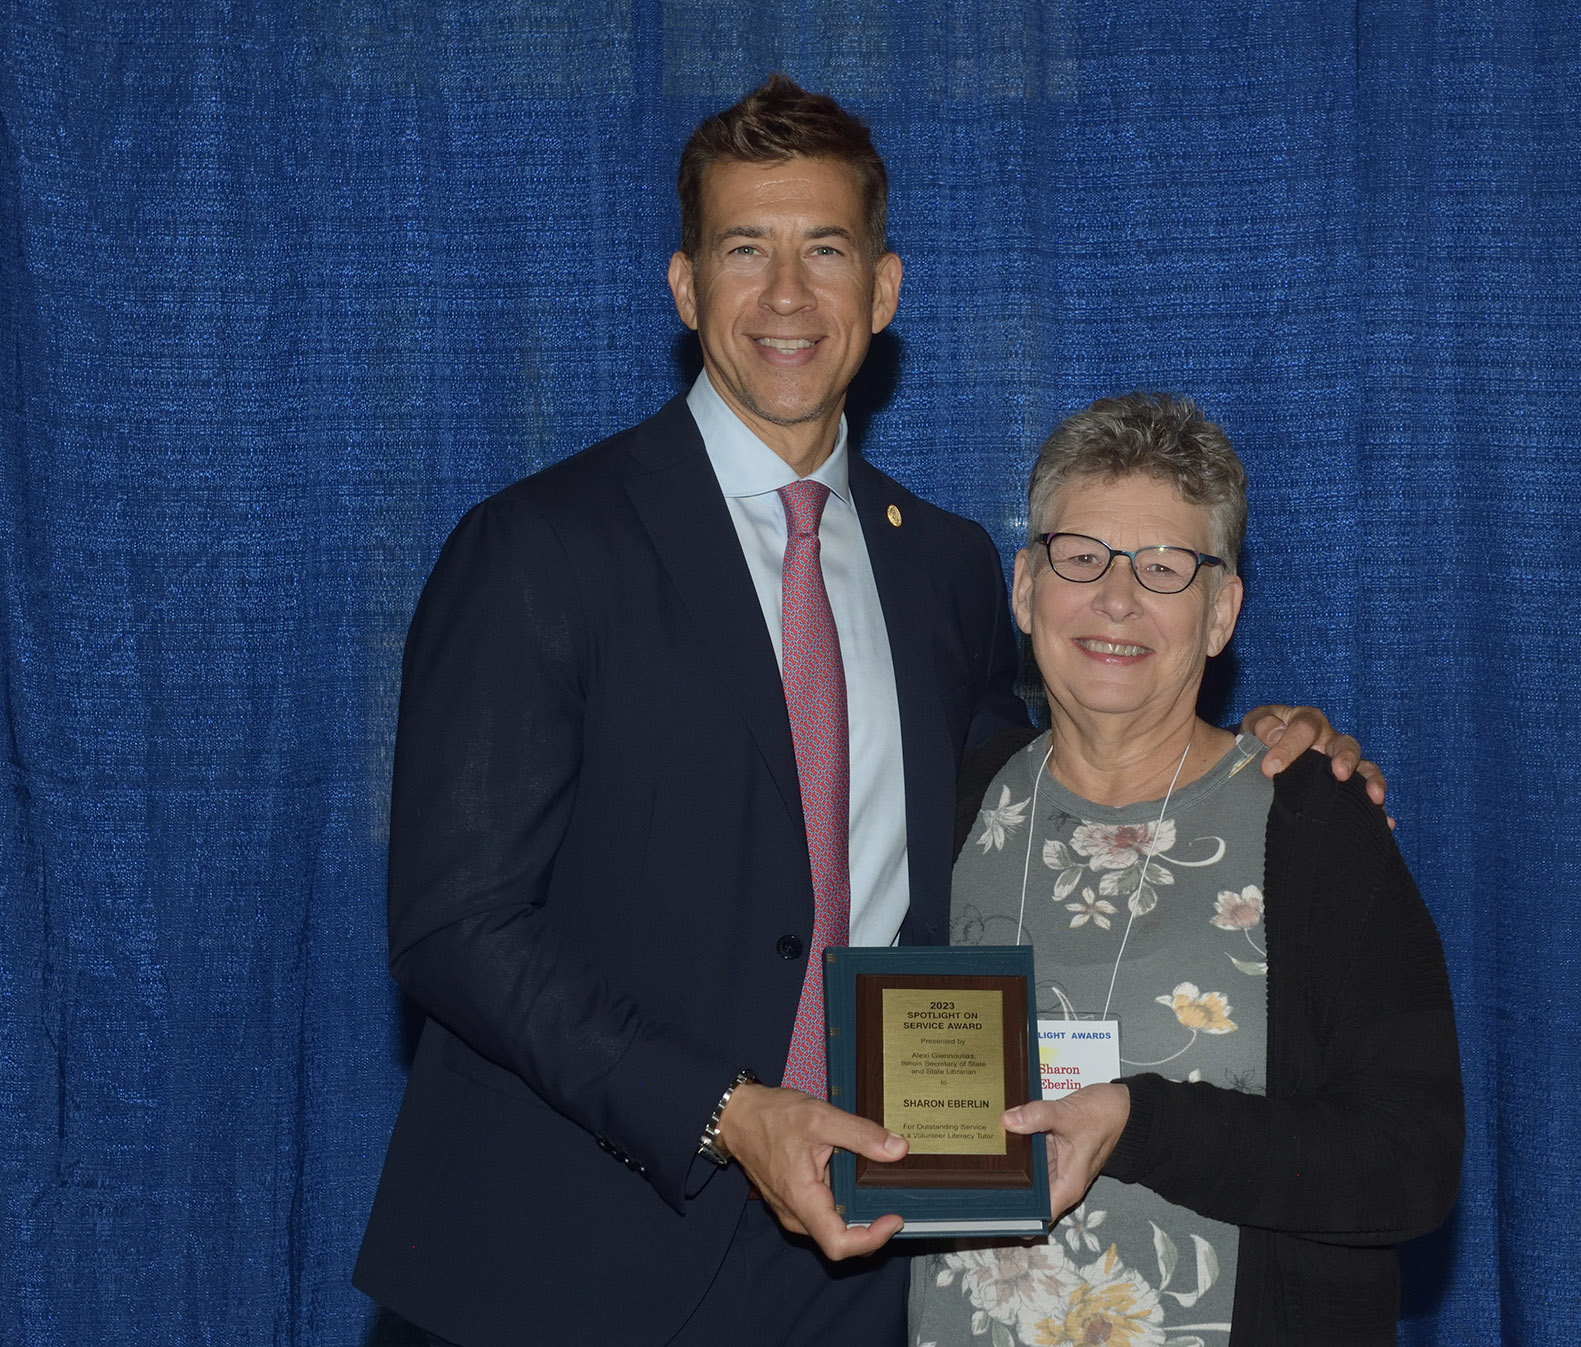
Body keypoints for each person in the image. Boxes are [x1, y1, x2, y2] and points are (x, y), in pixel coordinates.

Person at [352, 78, 1377, 1347]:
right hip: (559, 1268)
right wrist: (727, 1111)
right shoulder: (538, 550)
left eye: (823, 251)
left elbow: (1056, 781)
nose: (787, 296)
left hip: (854, 1274)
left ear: (882, 293)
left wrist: (1260, 740)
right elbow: (455, 926)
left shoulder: (942, 568)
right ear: (684, 287)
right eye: (746, 250)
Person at [911, 395, 1461, 1347]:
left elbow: (1408, 1162)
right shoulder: (941, 807)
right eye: (1081, 556)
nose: (1117, 598)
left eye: (1165, 568)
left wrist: (1140, 1122)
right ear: (1025, 586)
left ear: (1221, 613)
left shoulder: (1311, 822)